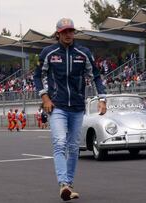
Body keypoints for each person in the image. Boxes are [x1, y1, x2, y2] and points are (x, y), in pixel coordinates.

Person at [33, 18, 107, 201]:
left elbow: (96, 76)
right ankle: (63, 184)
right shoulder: (48, 53)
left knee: (73, 147)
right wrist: (45, 98)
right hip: (56, 106)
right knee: (59, 142)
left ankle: (69, 184)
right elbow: (37, 76)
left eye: (71, 31)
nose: (68, 34)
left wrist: (102, 99)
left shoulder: (84, 53)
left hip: (77, 106)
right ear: (58, 33)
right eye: (65, 31)